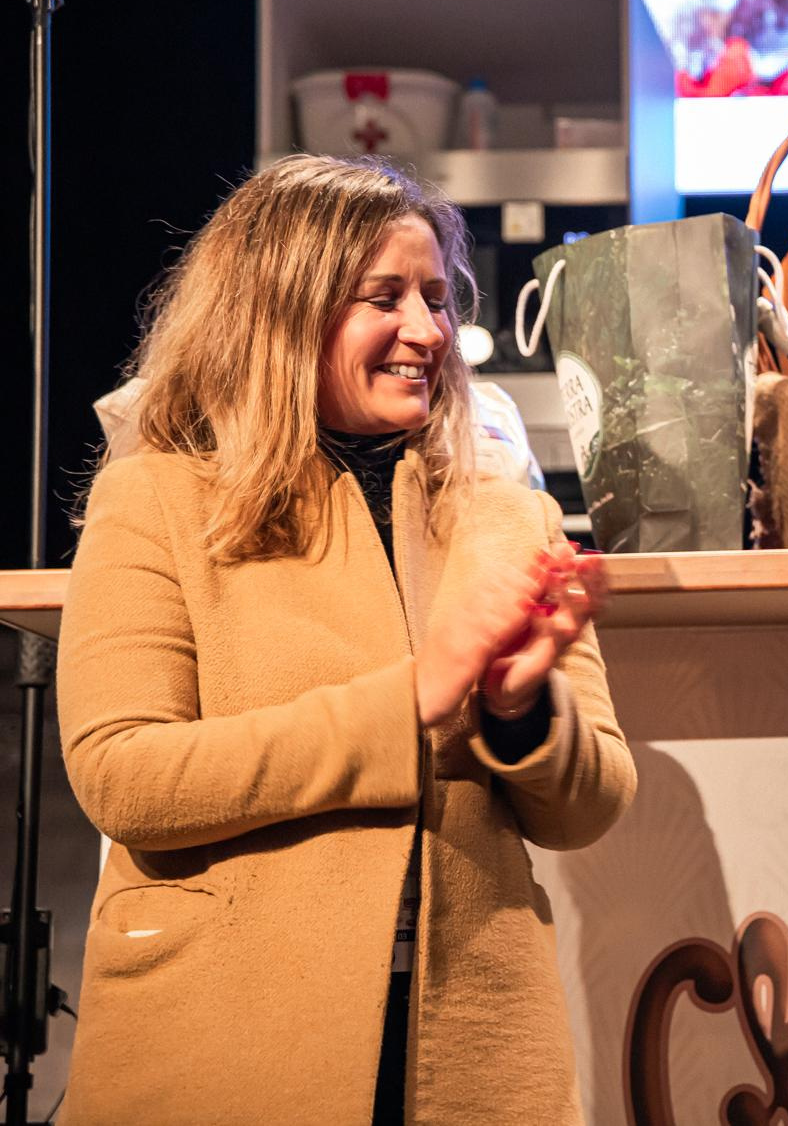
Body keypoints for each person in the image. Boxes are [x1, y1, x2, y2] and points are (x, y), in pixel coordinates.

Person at [56, 155, 636, 1124]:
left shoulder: (507, 516)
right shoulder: (155, 497)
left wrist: (519, 708)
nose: (429, 330)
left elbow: (591, 805)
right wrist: (408, 701)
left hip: (471, 1048)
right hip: (224, 1041)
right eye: (385, 297)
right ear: (280, 311)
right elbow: (126, 776)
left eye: (436, 298)